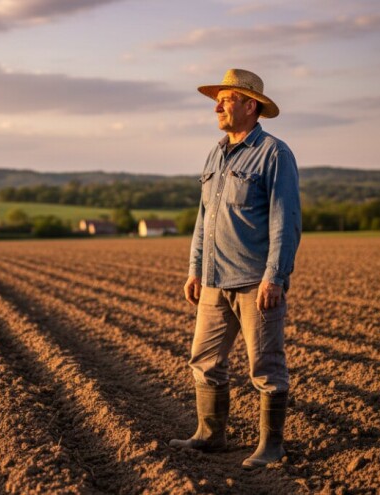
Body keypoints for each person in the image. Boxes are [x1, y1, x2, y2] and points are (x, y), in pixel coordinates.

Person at [169, 68, 302, 470]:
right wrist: (195, 268)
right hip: (212, 280)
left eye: (226, 99)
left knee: (266, 366)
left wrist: (275, 276)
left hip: (253, 282)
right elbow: (203, 217)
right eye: (218, 100)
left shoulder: (275, 154)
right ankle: (211, 435)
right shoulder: (215, 153)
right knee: (204, 361)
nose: (217, 106)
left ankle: (271, 446)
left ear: (250, 105)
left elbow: (286, 219)